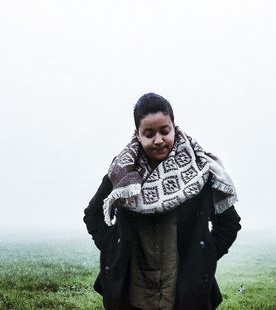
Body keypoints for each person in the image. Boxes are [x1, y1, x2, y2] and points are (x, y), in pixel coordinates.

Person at [83, 93, 241, 310]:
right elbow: (93, 215)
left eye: (164, 131)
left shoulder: (200, 170)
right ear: (137, 134)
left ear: (174, 127)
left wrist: (204, 255)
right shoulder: (122, 172)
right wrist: (114, 248)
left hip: (185, 296)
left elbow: (229, 224)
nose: (158, 140)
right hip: (132, 296)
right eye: (149, 133)